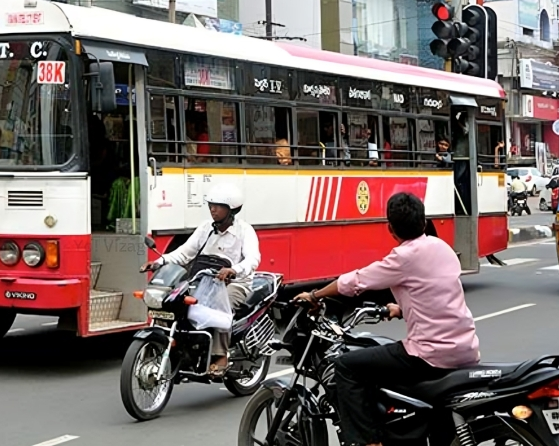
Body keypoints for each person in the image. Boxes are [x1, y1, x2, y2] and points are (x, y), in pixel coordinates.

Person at [294, 193, 479, 446]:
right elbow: (434, 293)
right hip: (466, 349)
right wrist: (400, 307)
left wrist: (315, 294)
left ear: (390, 228)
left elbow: (356, 280)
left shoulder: (403, 258)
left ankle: (368, 441)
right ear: (424, 222)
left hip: (430, 354)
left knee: (347, 366)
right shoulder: (442, 248)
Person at [141, 183, 260, 376]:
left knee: (221, 305)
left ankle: (220, 355)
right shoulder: (206, 228)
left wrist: (234, 270)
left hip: (234, 283)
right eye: (211, 204)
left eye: (218, 206)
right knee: (174, 301)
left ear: (231, 210)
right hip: (202, 281)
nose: (212, 209)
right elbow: (184, 253)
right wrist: (159, 262)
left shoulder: (245, 231)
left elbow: (252, 259)